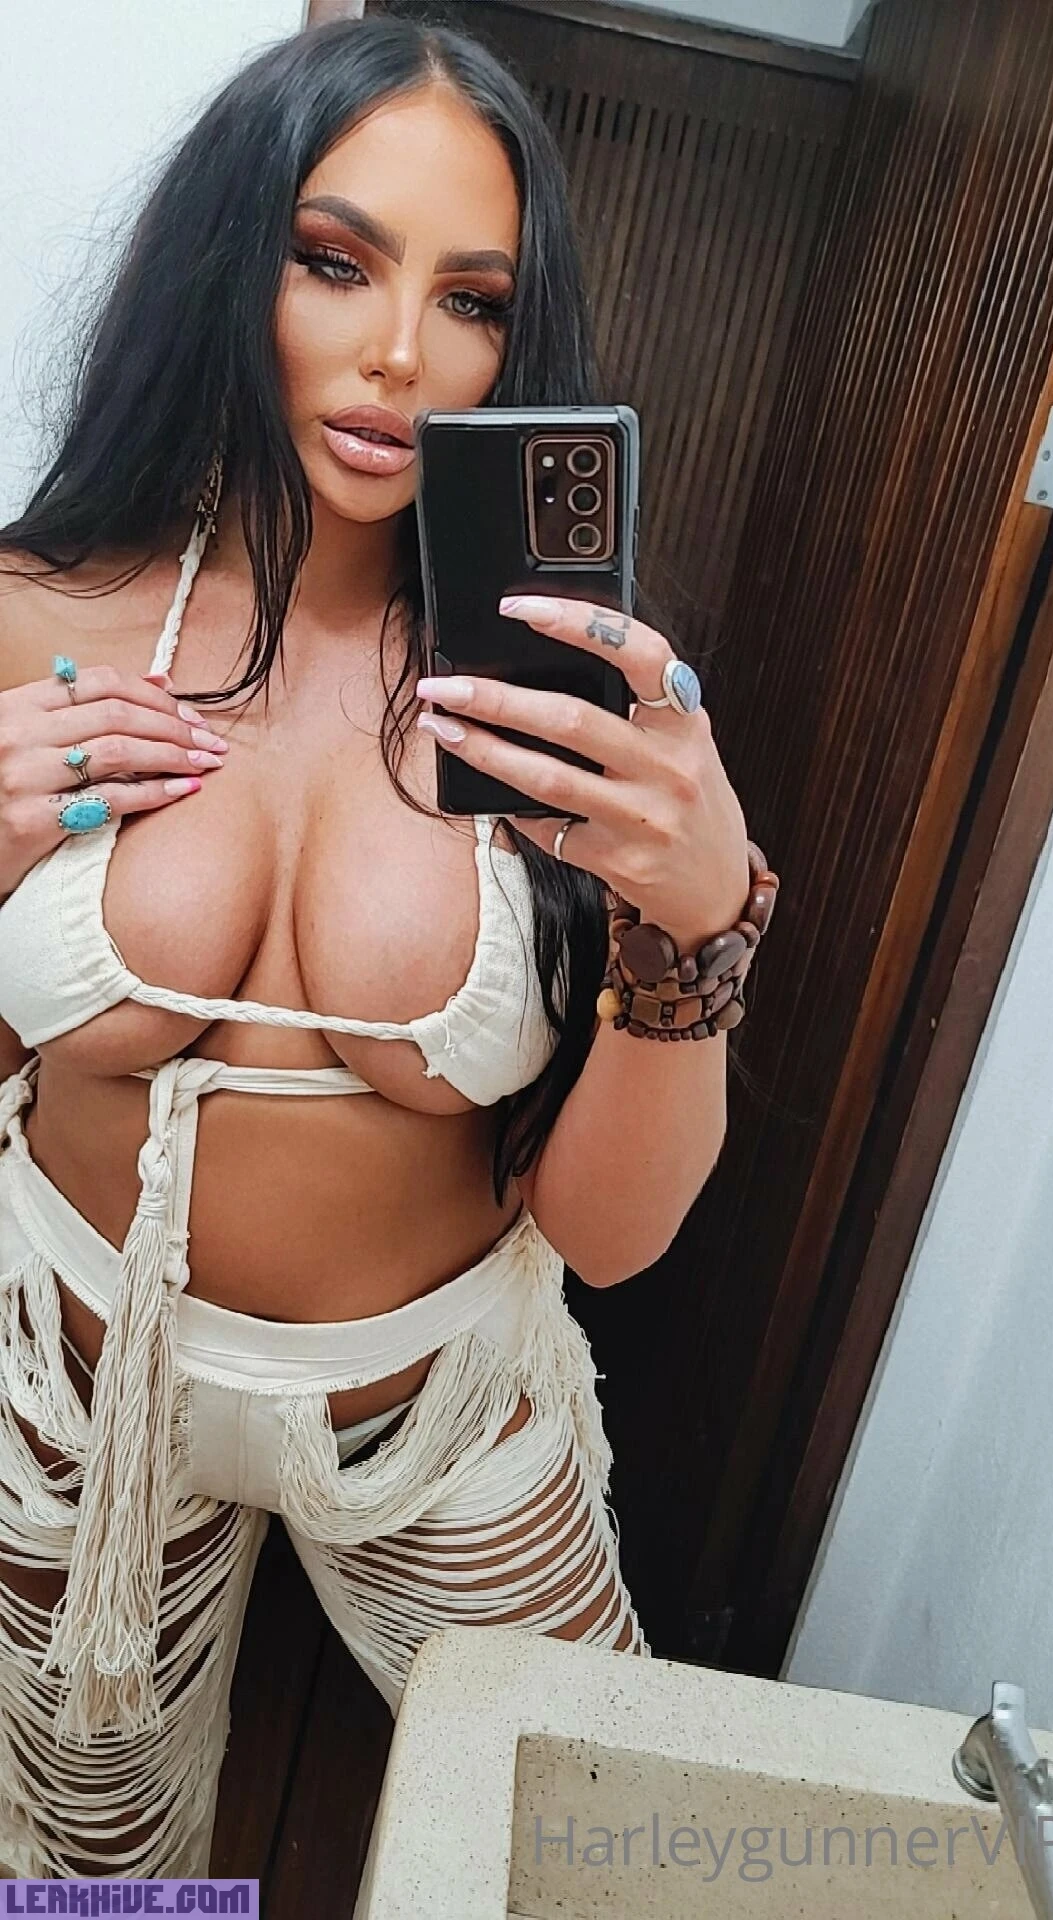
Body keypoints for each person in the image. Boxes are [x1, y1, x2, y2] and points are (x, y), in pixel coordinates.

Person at [0, 15, 758, 1880]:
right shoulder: (33, 613)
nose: (403, 353)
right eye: (334, 262)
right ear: (226, 261)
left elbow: (608, 1236)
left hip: (438, 1412)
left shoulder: (569, 714)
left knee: (602, 1856)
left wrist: (697, 923)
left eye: (473, 300)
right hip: (73, 1386)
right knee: (96, 1878)